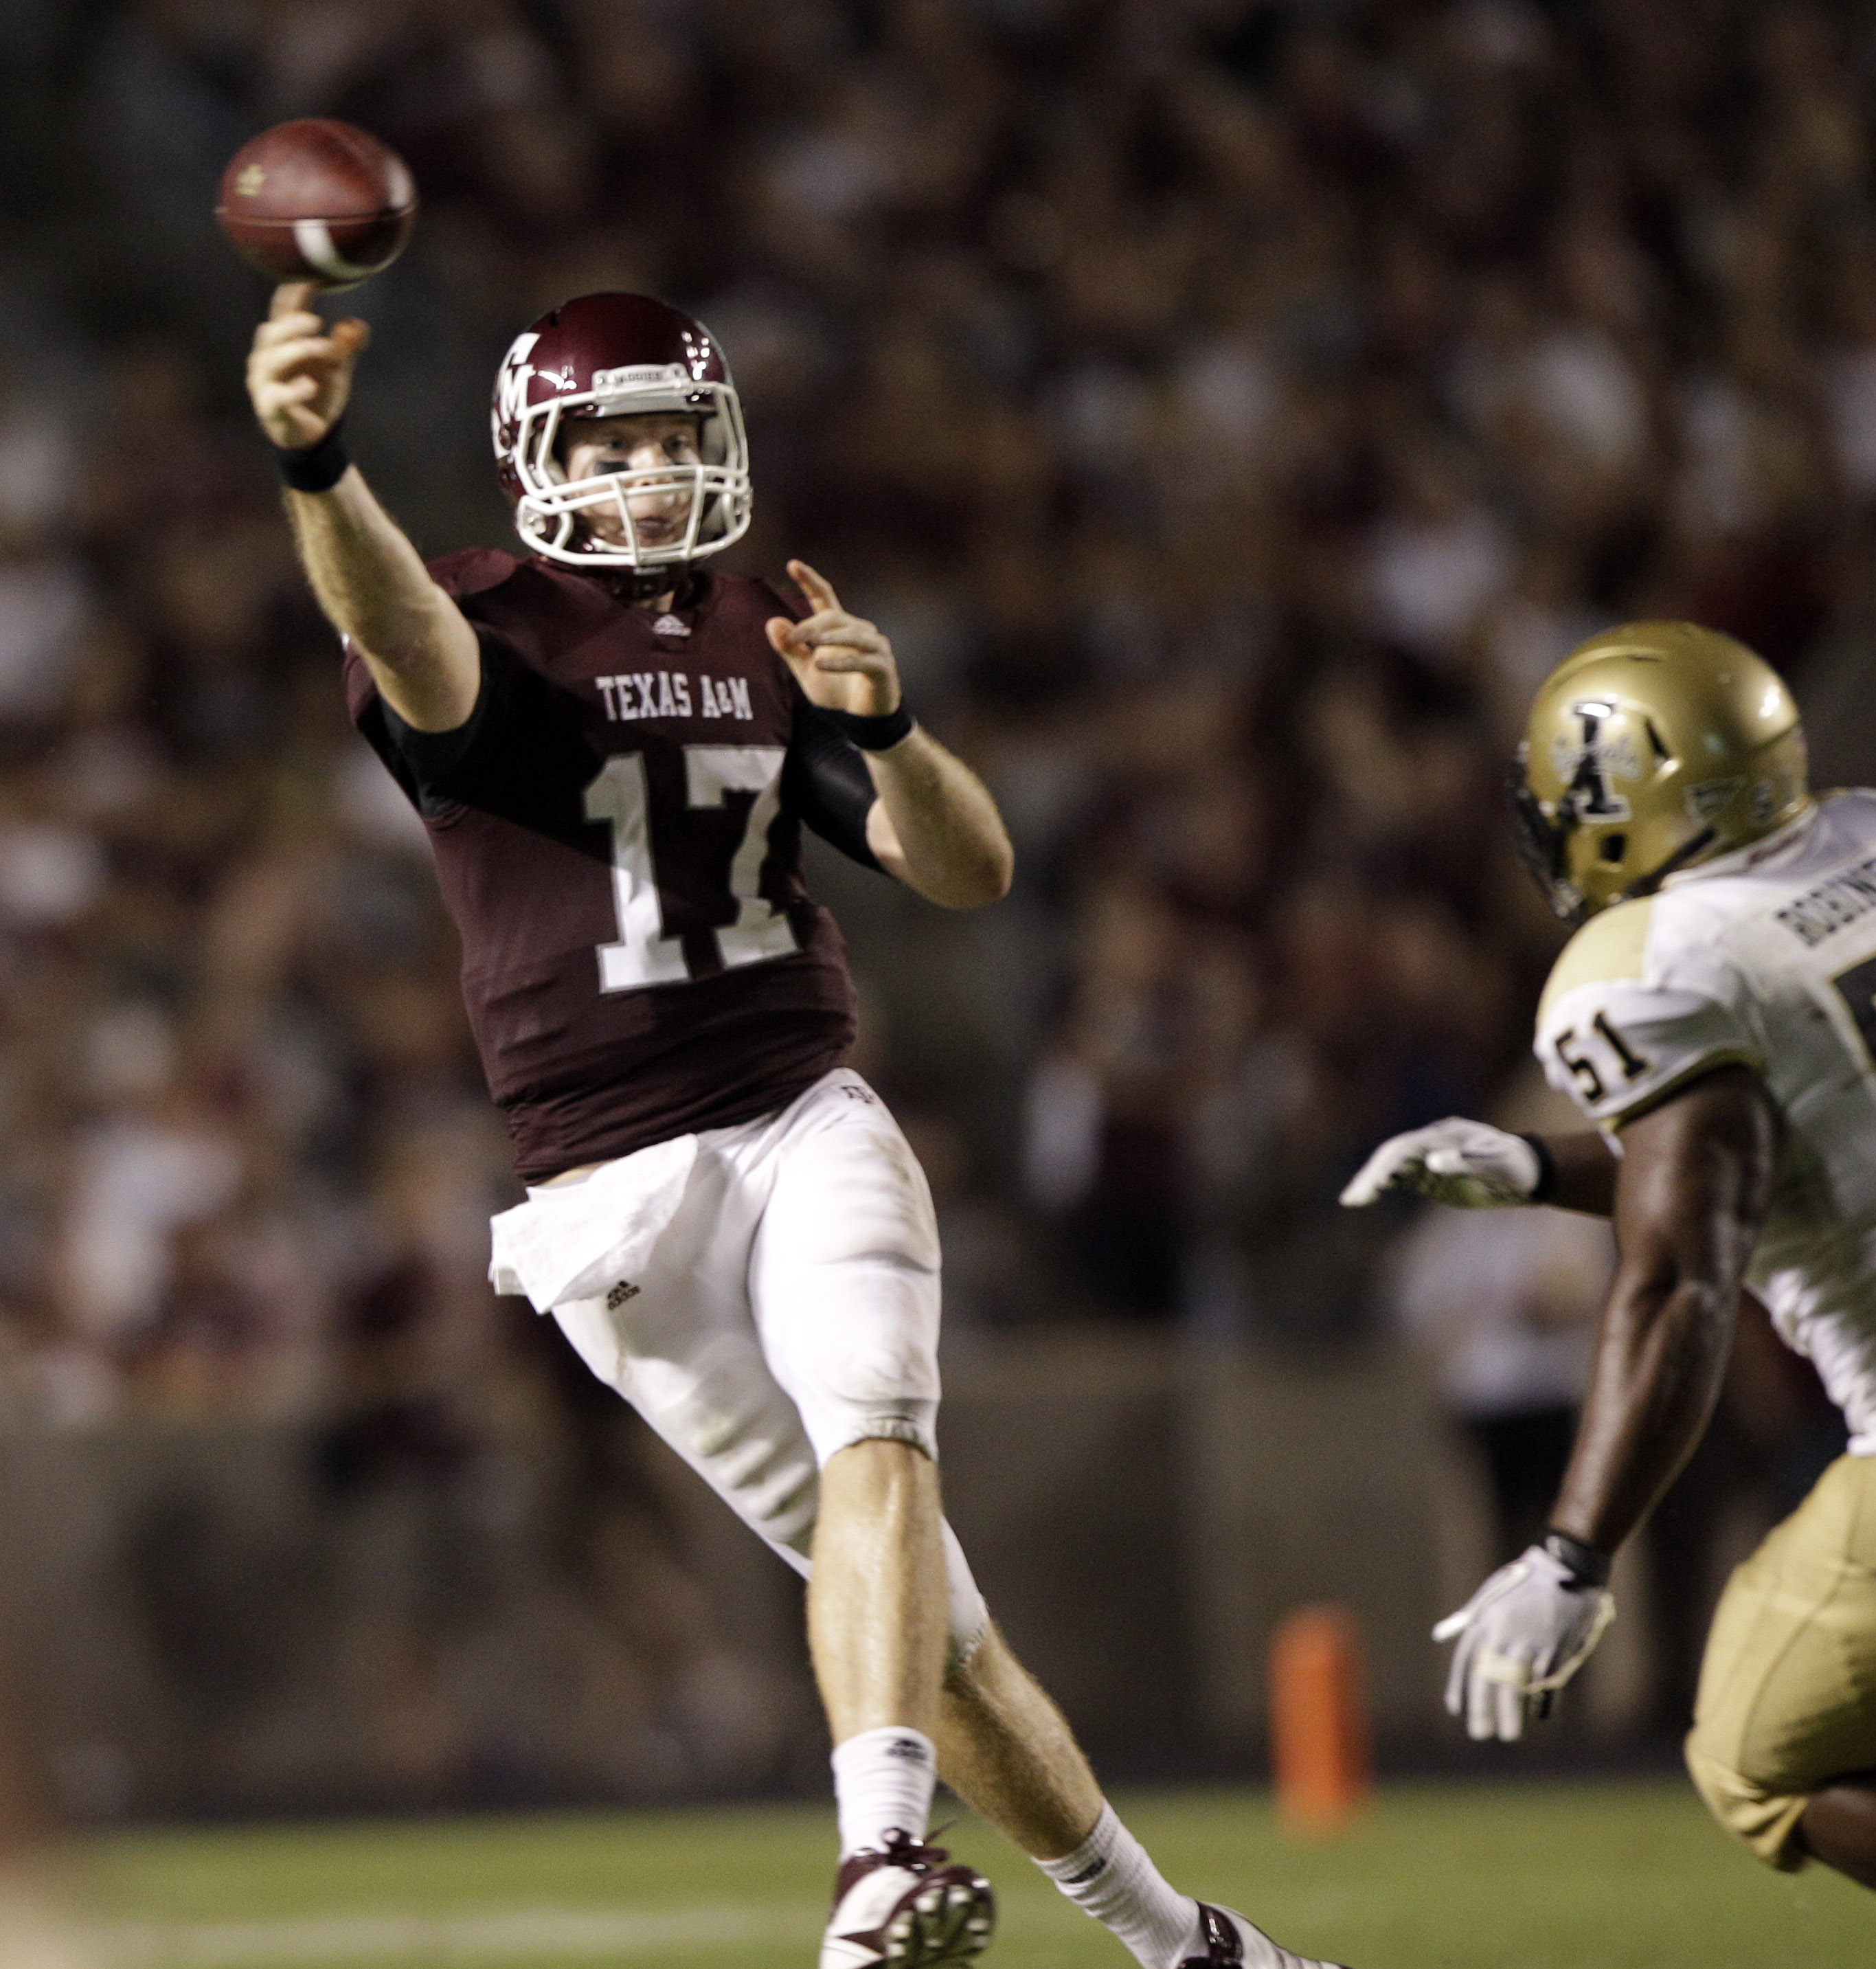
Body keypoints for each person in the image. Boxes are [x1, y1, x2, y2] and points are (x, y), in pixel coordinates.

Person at [245, 283, 1350, 1969]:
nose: (644, 472)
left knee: (878, 1440)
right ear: (534, 461)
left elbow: (965, 868)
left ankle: (875, 1864)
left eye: (671, 437)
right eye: (606, 444)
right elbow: (400, 636)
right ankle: (1191, 1947)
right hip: (606, 1186)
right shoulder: (488, 616)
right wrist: (318, 463)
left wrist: (894, 728)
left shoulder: (775, 626)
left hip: (797, 1106)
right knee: (947, 1645)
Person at [1343, 620, 1876, 1889]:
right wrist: (1535, 1167)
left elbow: (1687, 1262)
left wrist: (1573, 1552)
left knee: (1754, 1749)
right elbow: (1789, 1141)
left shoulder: (1659, 962)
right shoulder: (1860, 835)